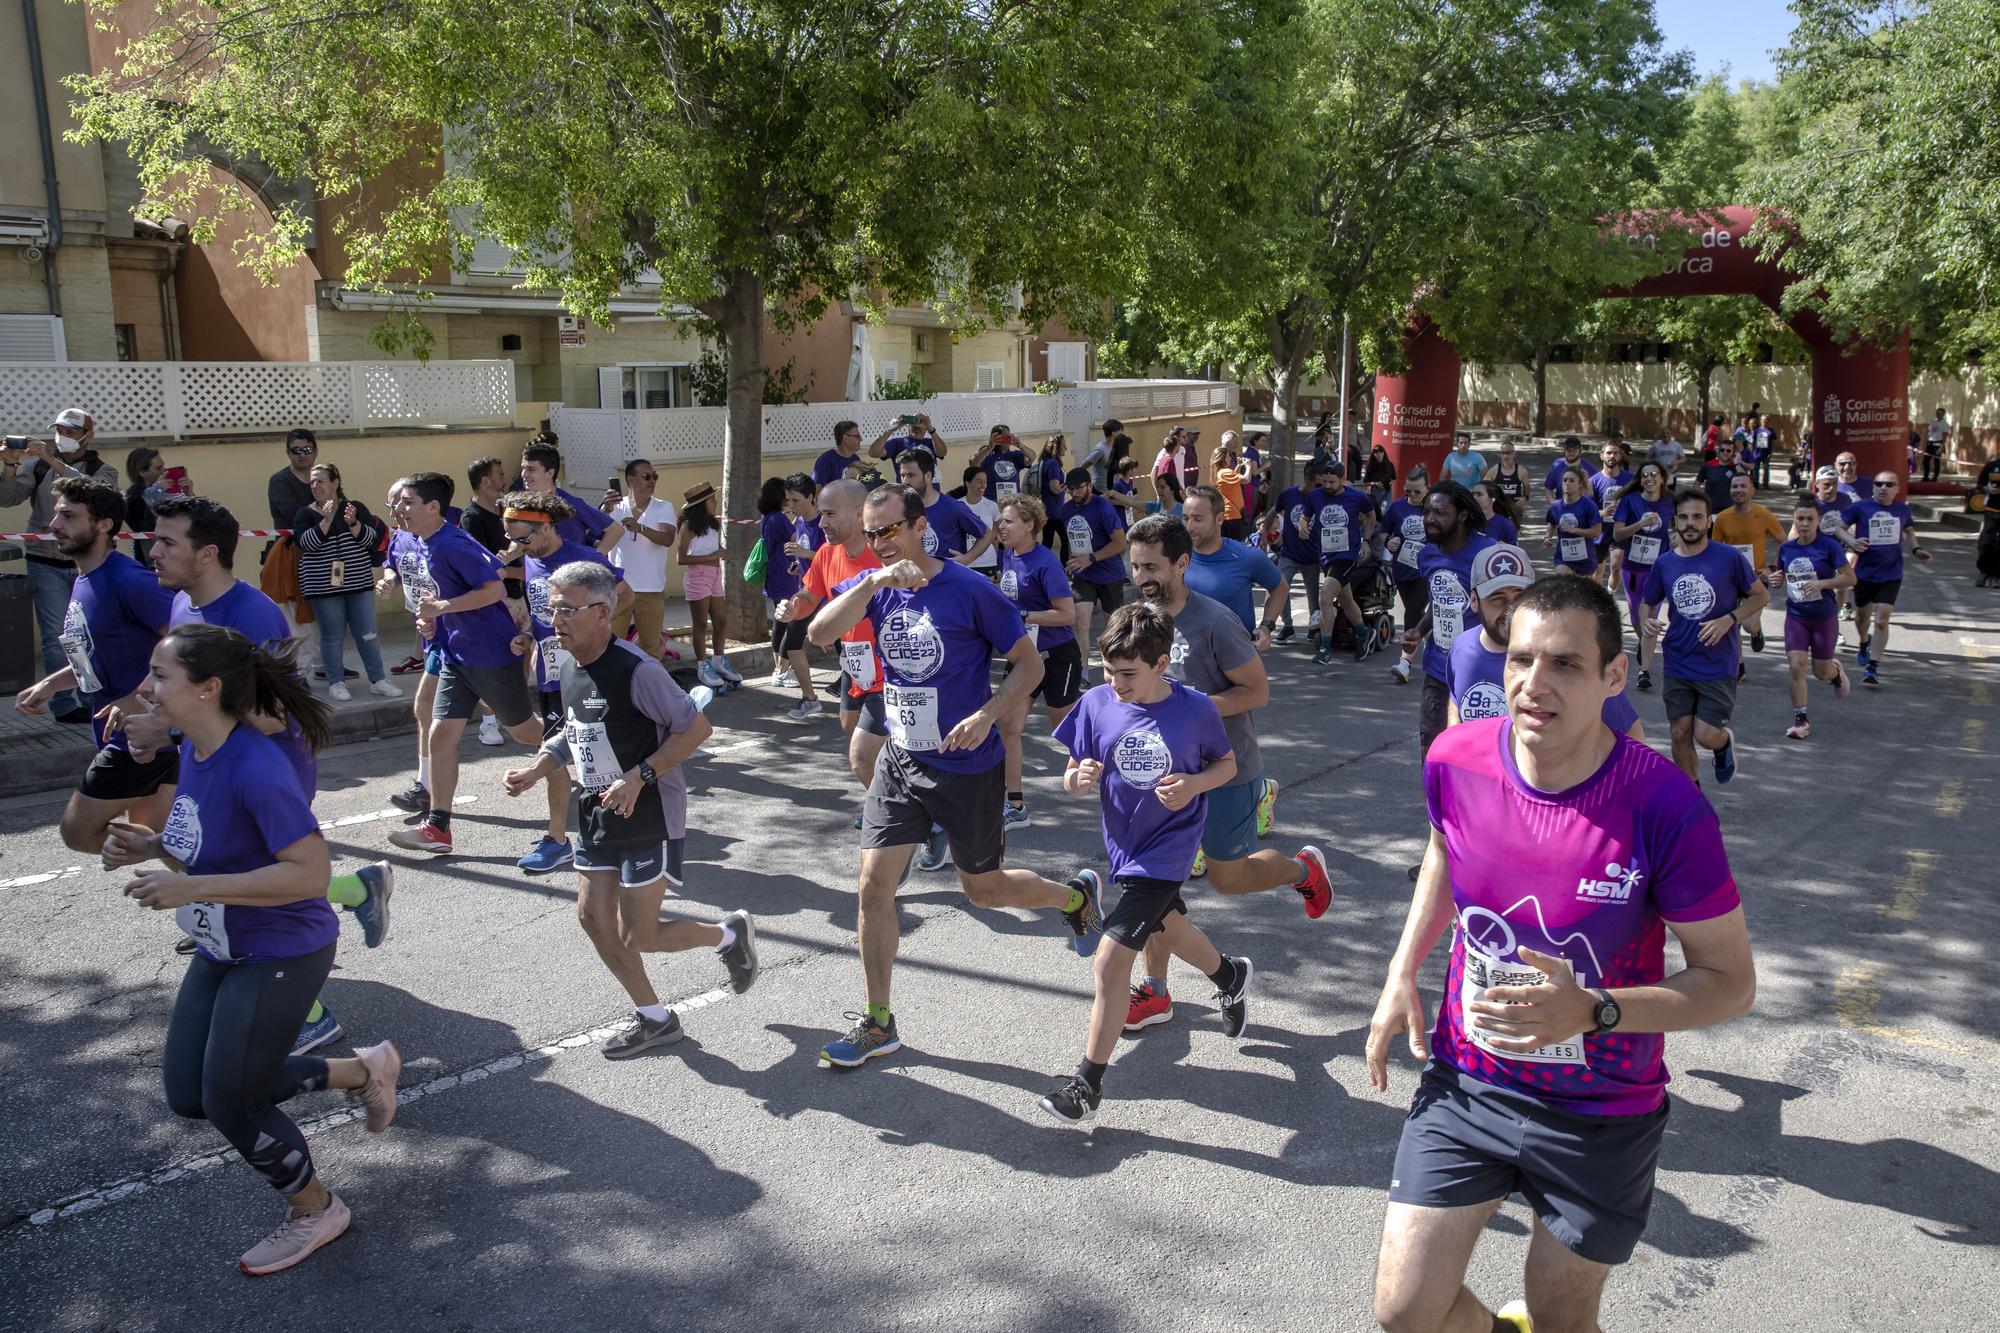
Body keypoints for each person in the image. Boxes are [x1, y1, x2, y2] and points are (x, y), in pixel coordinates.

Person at [1366, 575, 1755, 1333]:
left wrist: (1594, 1009)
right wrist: (1401, 969)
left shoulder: (1666, 807)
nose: (1532, 685)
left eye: (1566, 664)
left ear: (1615, 674)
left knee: (1561, 1315)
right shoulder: (1456, 757)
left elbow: (1730, 982)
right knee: (1406, 1308)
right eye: (1520, 659)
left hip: (1600, 1111)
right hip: (1469, 1080)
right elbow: (1447, 850)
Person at [99, 623, 405, 1276]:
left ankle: (317, 1209)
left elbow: (312, 873)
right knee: (190, 1092)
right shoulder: (198, 748)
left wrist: (194, 882)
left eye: (160, 676)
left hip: (281, 948)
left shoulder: (256, 766)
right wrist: (150, 845)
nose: (146, 689)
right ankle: (360, 1070)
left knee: (231, 1101)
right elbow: (206, 841)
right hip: (223, 943)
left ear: (207, 689)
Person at [805, 484, 1106, 1067]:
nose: (878, 542)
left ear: (919, 526)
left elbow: (1030, 663)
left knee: (984, 890)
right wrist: (869, 581)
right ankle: (879, 1021)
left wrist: (988, 714)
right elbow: (818, 634)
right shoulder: (875, 589)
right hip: (902, 761)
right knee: (872, 887)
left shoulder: (970, 590)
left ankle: (1074, 896)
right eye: (870, 534)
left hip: (967, 766)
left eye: (888, 530)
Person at [119, 495, 390, 1054]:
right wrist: (156, 713)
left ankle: (309, 1015)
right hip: (210, 765)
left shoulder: (253, 614)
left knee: (260, 883)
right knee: (219, 873)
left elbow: (276, 715)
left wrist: (168, 728)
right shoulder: (184, 605)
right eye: (154, 540)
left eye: (168, 543)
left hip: (268, 773)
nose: (154, 552)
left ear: (208, 553)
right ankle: (357, 888)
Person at [502, 561, 758, 1057]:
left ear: (602, 612)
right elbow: (572, 732)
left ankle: (727, 934)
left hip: (649, 812)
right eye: (551, 608)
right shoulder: (569, 663)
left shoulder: (639, 670)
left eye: (566, 610)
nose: (554, 619)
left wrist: (639, 776)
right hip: (597, 809)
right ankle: (655, 1018)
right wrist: (538, 767)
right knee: (592, 918)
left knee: (637, 933)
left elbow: (696, 730)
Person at [1037, 602, 1249, 1125]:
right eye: (1108, 671)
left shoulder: (1196, 708)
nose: (1116, 684)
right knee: (1170, 926)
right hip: (1124, 846)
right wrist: (1076, 780)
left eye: (1128, 673)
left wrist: (1196, 783)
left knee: (1110, 960)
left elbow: (1227, 764)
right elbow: (1071, 772)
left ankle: (1087, 1083)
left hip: (1170, 847)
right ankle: (1229, 976)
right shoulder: (1096, 703)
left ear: (1161, 664)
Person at [1124, 514, 1331, 1033]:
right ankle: (1155, 991)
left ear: (1182, 563)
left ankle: (1301, 870)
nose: (1142, 577)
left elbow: (1256, 692)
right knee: (1155, 885)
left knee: (1228, 879)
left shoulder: (1214, 621)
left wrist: (1189, 708)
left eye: (1152, 566)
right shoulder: (1133, 621)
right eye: (1135, 566)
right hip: (1161, 778)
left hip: (1224, 770)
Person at [384, 472, 549, 856]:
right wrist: (433, 619)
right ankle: (438, 827)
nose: (400, 510)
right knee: (441, 735)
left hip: (491, 654)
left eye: (408, 502)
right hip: (455, 654)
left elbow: (492, 587)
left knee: (526, 734)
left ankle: (586, 756)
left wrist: (444, 607)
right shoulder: (420, 543)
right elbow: (441, 597)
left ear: (432, 507)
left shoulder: (453, 543)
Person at [14, 478, 174, 853]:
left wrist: (139, 696)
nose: (54, 525)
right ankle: (230, 891)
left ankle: (243, 876)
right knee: (164, 843)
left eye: (68, 516)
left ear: (103, 525)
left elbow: (187, 636)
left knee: (78, 832)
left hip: (141, 733)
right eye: (56, 515)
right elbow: (93, 656)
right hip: (122, 733)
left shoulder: (128, 580)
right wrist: (51, 685)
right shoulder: (85, 579)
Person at [504, 490, 633, 872]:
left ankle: (590, 834)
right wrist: (527, 634)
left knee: (596, 753)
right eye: (512, 538)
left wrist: (595, 634)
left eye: (524, 537)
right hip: (550, 673)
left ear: (546, 527)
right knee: (559, 751)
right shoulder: (532, 560)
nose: (518, 546)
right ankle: (560, 839)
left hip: (588, 672)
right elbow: (542, 614)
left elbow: (624, 595)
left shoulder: (584, 559)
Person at [1445, 542, 1643, 740]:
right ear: (1473, 600)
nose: (1511, 610)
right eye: (1497, 598)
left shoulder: (1565, 656)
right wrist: (1455, 740)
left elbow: (1631, 735)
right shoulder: (1462, 648)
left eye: (1520, 596)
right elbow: (1456, 700)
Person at [0, 407, 122, 723]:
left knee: (91, 634)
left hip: (89, 563)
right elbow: (8, 497)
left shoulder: (102, 469)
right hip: (45, 561)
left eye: (70, 431)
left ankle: (92, 696)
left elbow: (96, 492)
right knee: (58, 638)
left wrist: (53, 461)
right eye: (60, 430)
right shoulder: (36, 467)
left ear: (87, 435)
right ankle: (64, 705)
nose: (62, 437)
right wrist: (10, 464)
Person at [1641, 489, 1768, 786]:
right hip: (1678, 659)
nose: (1690, 523)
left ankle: (1723, 744)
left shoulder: (1728, 558)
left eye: (1697, 517)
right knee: (1678, 733)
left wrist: (1730, 619)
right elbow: (1648, 601)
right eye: (1683, 517)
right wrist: (1647, 621)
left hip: (1717, 661)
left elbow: (1760, 595)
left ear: (1708, 521)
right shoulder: (1665, 563)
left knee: (1706, 735)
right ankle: (1692, 798)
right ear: (1674, 522)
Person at [777, 481, 887, 800]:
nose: (821, 523)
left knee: (862, 756)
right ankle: (897, 795)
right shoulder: (827, 553)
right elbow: (810, 595)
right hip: (853, 665)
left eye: (828, 514)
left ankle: (893, 813)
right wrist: (792, 606)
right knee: (849, 725)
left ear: (857, 515)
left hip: (890, 672)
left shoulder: (884, 553)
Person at [993, 494, 1080, 831]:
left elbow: (1067, 614)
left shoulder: (1046, 563)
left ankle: (1107, 766)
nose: (1002, 525)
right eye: (1001, 520)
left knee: (1064, 729)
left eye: (1009, 520)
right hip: (1024, 656)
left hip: (1057, 655)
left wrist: (1024, 614)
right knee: (1009, 727)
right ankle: (1015, 805)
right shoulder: (1008, 555)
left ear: (1029, 525)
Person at [1403, 482, 1498, 760]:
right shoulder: (1427, 555)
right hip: (1438, 668)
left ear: (1463, 515)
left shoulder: (1488, 555)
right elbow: (1444, 599)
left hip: (1478, 670)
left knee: (1474, 755)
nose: (1430, 519)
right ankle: (1435, 805)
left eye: (1440, 513)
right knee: (1432, 754)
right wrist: (1419, 631)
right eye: (1427, 512)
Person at [292, 462, 399, 702]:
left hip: (358, 583)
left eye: (320, 480)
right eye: (312, 482)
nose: (315, 486)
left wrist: (354, 524)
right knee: (332, 635)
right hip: (323, 586)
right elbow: (305, 544)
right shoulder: (305, 514)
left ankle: (378, 679)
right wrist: (326, 521)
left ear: (335, 483)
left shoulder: (355, 508)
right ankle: (336, 682)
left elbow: (372, 540)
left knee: (368, 632)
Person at [1769, 497, 1855, 739]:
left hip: (1823, 616)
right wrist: (1776, 580)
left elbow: (1850, 579)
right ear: (1794, 521)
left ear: (1818, 521)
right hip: (1796, 616)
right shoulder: (1787, 548)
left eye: (1810, 519)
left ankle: (1835, 673)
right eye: (1800, 519)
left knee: (1820, 672)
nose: (1804, 523)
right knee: (1796, 666)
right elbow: (1780, 576)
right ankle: (1801, 720)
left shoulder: (1829, 547)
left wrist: (1822, 583)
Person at [1847, 469, 1933, 685]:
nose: (1883, 488)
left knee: (1882, 619)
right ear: (1873, 487)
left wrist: (1916, 550)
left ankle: (1872, 667)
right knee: (1861, 617)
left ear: (1897, 489)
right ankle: (1863, 642)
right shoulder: (1860, 507)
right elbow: (1839, 528)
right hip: (1865, 572)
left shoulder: (1901, 509)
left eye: (1888, 484)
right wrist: (1851, 541)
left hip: (1891, 572)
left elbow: (1909, 532)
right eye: (1878, 484)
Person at [263, 427, 326, 683]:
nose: (302, 456)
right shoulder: (280, 481)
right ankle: (299, 673)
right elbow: (295, 516)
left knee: (325, 615)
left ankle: (326, 666)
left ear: (315, 450)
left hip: (323, 554)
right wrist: (324, 513)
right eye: (296, 451)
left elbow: (340, 506)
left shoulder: (323, 477)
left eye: (307, 450)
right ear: (288, 453)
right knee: (296, 617)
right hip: (292, 555)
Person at [599, 458, 677, 661]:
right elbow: (597, 535)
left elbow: (667, 539)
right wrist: (604, 510)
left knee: (652, 649)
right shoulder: (615, 507)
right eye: (646, 476)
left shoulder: (663, 507)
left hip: (651, 589)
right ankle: (615, 690)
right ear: (631, 479)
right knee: (611, 645)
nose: (652, 481)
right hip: (619, 588)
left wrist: (640, 528)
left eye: (654, 477)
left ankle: (649, 690)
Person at [759, 474, 824, 719]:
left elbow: (833, 559)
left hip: (828, 593)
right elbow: (809, 560)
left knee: (846, 646)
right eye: (788, 500)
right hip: (807, 591)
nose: (792, 506)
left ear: (811, 497)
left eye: (796, 500)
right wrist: (798, 564)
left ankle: (861, 690)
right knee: (792, 643)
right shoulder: (798, 522)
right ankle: (810, 699)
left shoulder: (824, 523)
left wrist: (804, 553)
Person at [1307, 461, 1382, 664]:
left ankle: (1324, 649)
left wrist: (1366, 540)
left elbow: (1370, 515)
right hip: (1325, 555)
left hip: (1347, 555)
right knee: (1346, 600)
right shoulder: (1314, 496)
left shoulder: (1357, 497)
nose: (1328, 486)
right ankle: (1364, 634)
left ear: (1342, 480)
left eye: (1332, 482)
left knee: (1325, 597)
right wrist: (1302, 526)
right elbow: (1305, 517)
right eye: (1324, 482)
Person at [1056, 465, 1130, 665]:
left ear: (1089, 486)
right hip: (1084, 574)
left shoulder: (1102, 507)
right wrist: (1072, 562)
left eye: (1079, 488)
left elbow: (1120, 542)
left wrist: (1091, 558)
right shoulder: (1066, 510)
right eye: (1070, 489)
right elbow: (1074, 538)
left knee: (1112, 628)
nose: (1074, 493)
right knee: (1080, 623)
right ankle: (1083, 675)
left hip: (1109, 574)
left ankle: (1114, 668)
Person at [1610, 461, 1675, 690]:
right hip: (1633, 567)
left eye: (1653, 474)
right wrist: (1640, 523)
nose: (1649, 478)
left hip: (1659, 568)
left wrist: (1676, 541)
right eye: (1645, 475)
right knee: (1638, 619)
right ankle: (1643, 641)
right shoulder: (1630, 501)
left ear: (1662, 478)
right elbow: (1618, 533)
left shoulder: (1670, 502)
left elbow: (1677, 529)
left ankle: (1644, 671)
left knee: (1650, 613)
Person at [1183, 484, 1280, 637]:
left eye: (1197, 519)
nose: (1189, 526)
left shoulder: (1245, 556)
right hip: (1187, 656)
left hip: (1236, 656)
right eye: (1185, 518)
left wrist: (1266, 627)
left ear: (1219, 519)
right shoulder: (1175, 557)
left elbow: (1280, 587)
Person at [1710, 473, 1786, 655]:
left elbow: (1783, 541)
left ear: (1752, 490)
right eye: (1734, 487)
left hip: (1756, 577)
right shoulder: (1722, 517)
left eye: (1743, 486)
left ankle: (1756, 630)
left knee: (1748, 624)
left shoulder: (1763, 515)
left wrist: (1773, 568)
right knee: (1733, 623)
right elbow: (1716, 549)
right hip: (1731, 578)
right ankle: (1738, 667)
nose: (1738, 490)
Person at [677, 482, 740, 690]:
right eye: (712, 499)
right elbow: (681, 558)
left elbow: (712, 546)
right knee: (701, 624)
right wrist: (713, 556)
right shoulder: (687, 527)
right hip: (697, 577)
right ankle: (702, 665)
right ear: (702, 503)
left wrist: (720, 551)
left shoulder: (714, 524)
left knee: (721, 621)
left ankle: (719, 660)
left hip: (715, 575)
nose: (715, 502)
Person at [519, 433, 619, 555]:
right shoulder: (522, 504)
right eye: (523, 468)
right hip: (537, 573)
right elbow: (519, 539)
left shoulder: (570, 503)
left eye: (531, 469)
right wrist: (509, 555)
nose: (524, 474)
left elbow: (615, 530)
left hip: (569, 572)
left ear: (550, 473)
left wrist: (594, 559)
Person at [1266, 459, 1329, 645]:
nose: (1323, 487)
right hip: (1290, 554)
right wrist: (1263, 537)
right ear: (1310, 480)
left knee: (1313, 593)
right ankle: (1287, 626)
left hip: (1312, 555)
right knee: (1280, 587)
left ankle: (1314, 626)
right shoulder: (1289, 494)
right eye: (1319, 483)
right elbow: (1272, 513)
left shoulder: (1323, 497)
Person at [896, 449, 995, 565]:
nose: (905, 481)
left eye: (911, 475)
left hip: (948, 581)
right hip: (914, 580)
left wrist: (968, 557)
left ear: (928, 476)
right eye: (903, 475)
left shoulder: (953, 507)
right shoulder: (901, 509)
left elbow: (987, 534)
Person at [1381, 467, 1432, 685]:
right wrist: (1387, 542)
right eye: (1407, 491)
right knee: (1419, 615)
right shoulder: (1397, 507)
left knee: (1413, 613)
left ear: (1427, 488)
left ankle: (1405, 662)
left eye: (1416, 492)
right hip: (1402, 569)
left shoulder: (1436, 507)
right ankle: (1437, 647)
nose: (1411, 496)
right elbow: (1384, 531)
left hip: (1427, 570)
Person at [1544, 466, 1603, 578]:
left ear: (1580, 484)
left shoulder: (1589, 506)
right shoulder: (1556, 506)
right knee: (1564, 582)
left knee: (1582, 593)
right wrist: (1548, 537)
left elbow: (1596, 532)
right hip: (1563, 557)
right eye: (1565, 480)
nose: (1567, 483)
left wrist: (1574, 530)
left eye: (1572, 480)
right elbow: (1551, 522)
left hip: (1585, 559)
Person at [124, 444, 170, 567]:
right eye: (158, 468)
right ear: (143, 472)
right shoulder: (133, 496)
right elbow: (144, 524)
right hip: (149, 559)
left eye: (163, 466)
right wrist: (158, 491)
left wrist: (188, 491)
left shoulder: (167, 488)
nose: (164, 471)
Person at [960, 467, 1002, 579]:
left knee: (987, 596)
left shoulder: (992, 506)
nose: (983, 485)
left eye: (985, 482)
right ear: (968, 483)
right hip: (964, 561)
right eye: (979, 481)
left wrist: (996, 553)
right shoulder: (957, 505)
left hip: (987, 561)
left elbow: (999, 531)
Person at [971, 424, 1032, 501]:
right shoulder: (987, 453)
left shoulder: (1015, 455)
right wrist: (990, 447)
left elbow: (1032, 458)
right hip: (992, 502)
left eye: (1009, 435)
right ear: (996, 437)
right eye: (1004, 436)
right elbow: (974, 463)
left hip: (1013, 502)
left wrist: (1020, 445)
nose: (1008, 438)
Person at [1212, 437, 1253, 541]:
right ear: (1223, 459)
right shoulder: (1225, 472)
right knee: (1235, 546)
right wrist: (1248, 467)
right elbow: (1246, 480)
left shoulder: (1221, 472)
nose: (1230, 458)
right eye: (1228, 456)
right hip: (1232, 515)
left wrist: (1238, 466)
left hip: (1229, 515)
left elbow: (1234, 481)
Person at [869, 411, 943, 463]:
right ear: (908, 426)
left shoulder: (931, 442)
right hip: (907, 485)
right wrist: (890, 430)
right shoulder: (897, 443)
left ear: (926, 426)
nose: (916, 425)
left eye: (920, 422)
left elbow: (942, 452)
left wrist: (931, 430)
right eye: (913, 421)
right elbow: (873, 453)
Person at [815, 419, 869, 489]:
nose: (861, 439)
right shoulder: (825, 460)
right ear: (845, 438)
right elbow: (817, 491)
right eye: (857, 436)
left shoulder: (856, 458)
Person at [1541, 436, 1597, 500]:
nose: (1571, 453)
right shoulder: (1557, 467)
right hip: (1562, 508)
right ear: (1564, 450)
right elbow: (1548, 489)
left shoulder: (1589, 468)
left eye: (1575, 450)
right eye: (1568, 450)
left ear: (1580, 450)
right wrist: (1554, 504)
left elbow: (1595, 492)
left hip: (1583, 508)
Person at [1975, 451, 2000, 587]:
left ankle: (1997, 576)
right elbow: (1980, 484)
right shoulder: (1992, 466)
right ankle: (1984, 571)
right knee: (1985, 543)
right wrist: (1986, 489)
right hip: (1992, 510)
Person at [1472, 481, 1520, 547]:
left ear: (1492, 498)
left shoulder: (1506, 525)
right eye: (1472, 495)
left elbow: (1513, 553)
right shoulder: (1465, 521)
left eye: (1479, 495)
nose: (1474, 498)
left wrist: (1504, 548)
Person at [1081, 418, 1123, 493]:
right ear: (1113, 433)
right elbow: (1083, 466)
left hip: (1113, 491)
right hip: (1100, 491)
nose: (1122, 434)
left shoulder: (1117, 447)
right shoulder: (1100, 449)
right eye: (1120, 431)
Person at [1486, 438, 1529, 505]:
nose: (1506, 455)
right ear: (1500, 454)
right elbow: (1483, 486)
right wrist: (1490, 499)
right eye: (1503, 453)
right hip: (1498, 509)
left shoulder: (1521, 471)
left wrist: (1525, 497)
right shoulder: (1494, 470)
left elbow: (1527, 487)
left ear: (1514, 453)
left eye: (1509, 452)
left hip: (1515, 508)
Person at [1923, 407, 1948, 484]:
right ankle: (1926, 477)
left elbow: (1945, 436)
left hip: (1938, 443)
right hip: (1930, 443)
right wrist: (1926, 442)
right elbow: (1929, 432)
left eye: (1940, 413)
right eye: (1937, 412)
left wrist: (1942, 446)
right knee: (1926, 461)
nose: (1938, 414)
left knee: (1936, 461)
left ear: (1943, 414)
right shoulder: (1933, 422)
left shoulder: (1944, 424)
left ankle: (1935, 477)